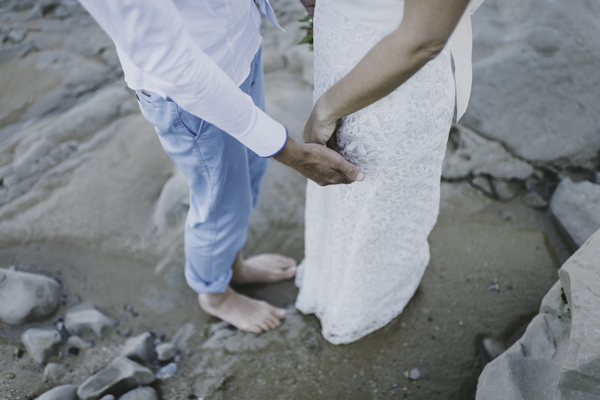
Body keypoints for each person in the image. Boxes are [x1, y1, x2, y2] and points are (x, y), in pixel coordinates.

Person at [76, 0, 365, 334]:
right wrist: (293, 154)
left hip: (240, 49)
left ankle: (232, 265)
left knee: (252, 170)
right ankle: (214, 294)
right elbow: (169, 61)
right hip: (187, 95)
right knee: (220, 200)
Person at [295, 0, 483, 344]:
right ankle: (327, 284)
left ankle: (361, 304)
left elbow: (423, 38)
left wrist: (325, 110)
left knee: (379, 199)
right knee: (341, 189)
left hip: (396, 75)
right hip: (338, 40)